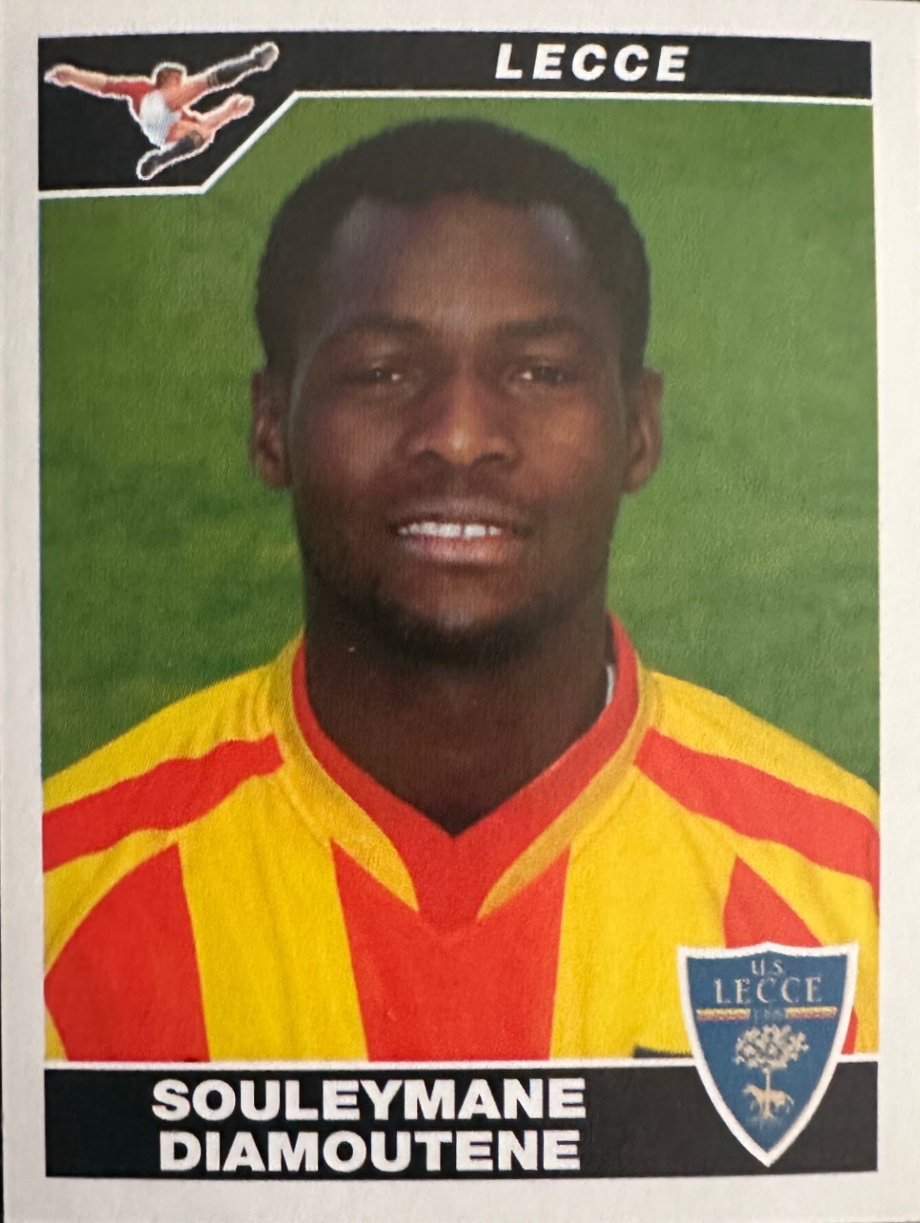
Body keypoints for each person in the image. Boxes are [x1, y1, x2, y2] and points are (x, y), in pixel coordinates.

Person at [43, 119, 878, 1063]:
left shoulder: (853, 895)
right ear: (271, 426)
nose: (459, 436)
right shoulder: (56, 897)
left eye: (540, 372)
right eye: (383, 371)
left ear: (639, 430)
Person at [43, 42, 279, 180]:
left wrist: (229, 112)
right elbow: (105, 84)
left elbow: (207, 125)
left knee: (204, 134)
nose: (181, 83)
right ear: (166, 78)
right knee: (201, 84)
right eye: (178, 80)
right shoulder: (144, 89)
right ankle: (253, 62)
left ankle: (161, 159)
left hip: (162, 136)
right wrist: (73, 76)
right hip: (153, 110)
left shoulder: (181, 113)